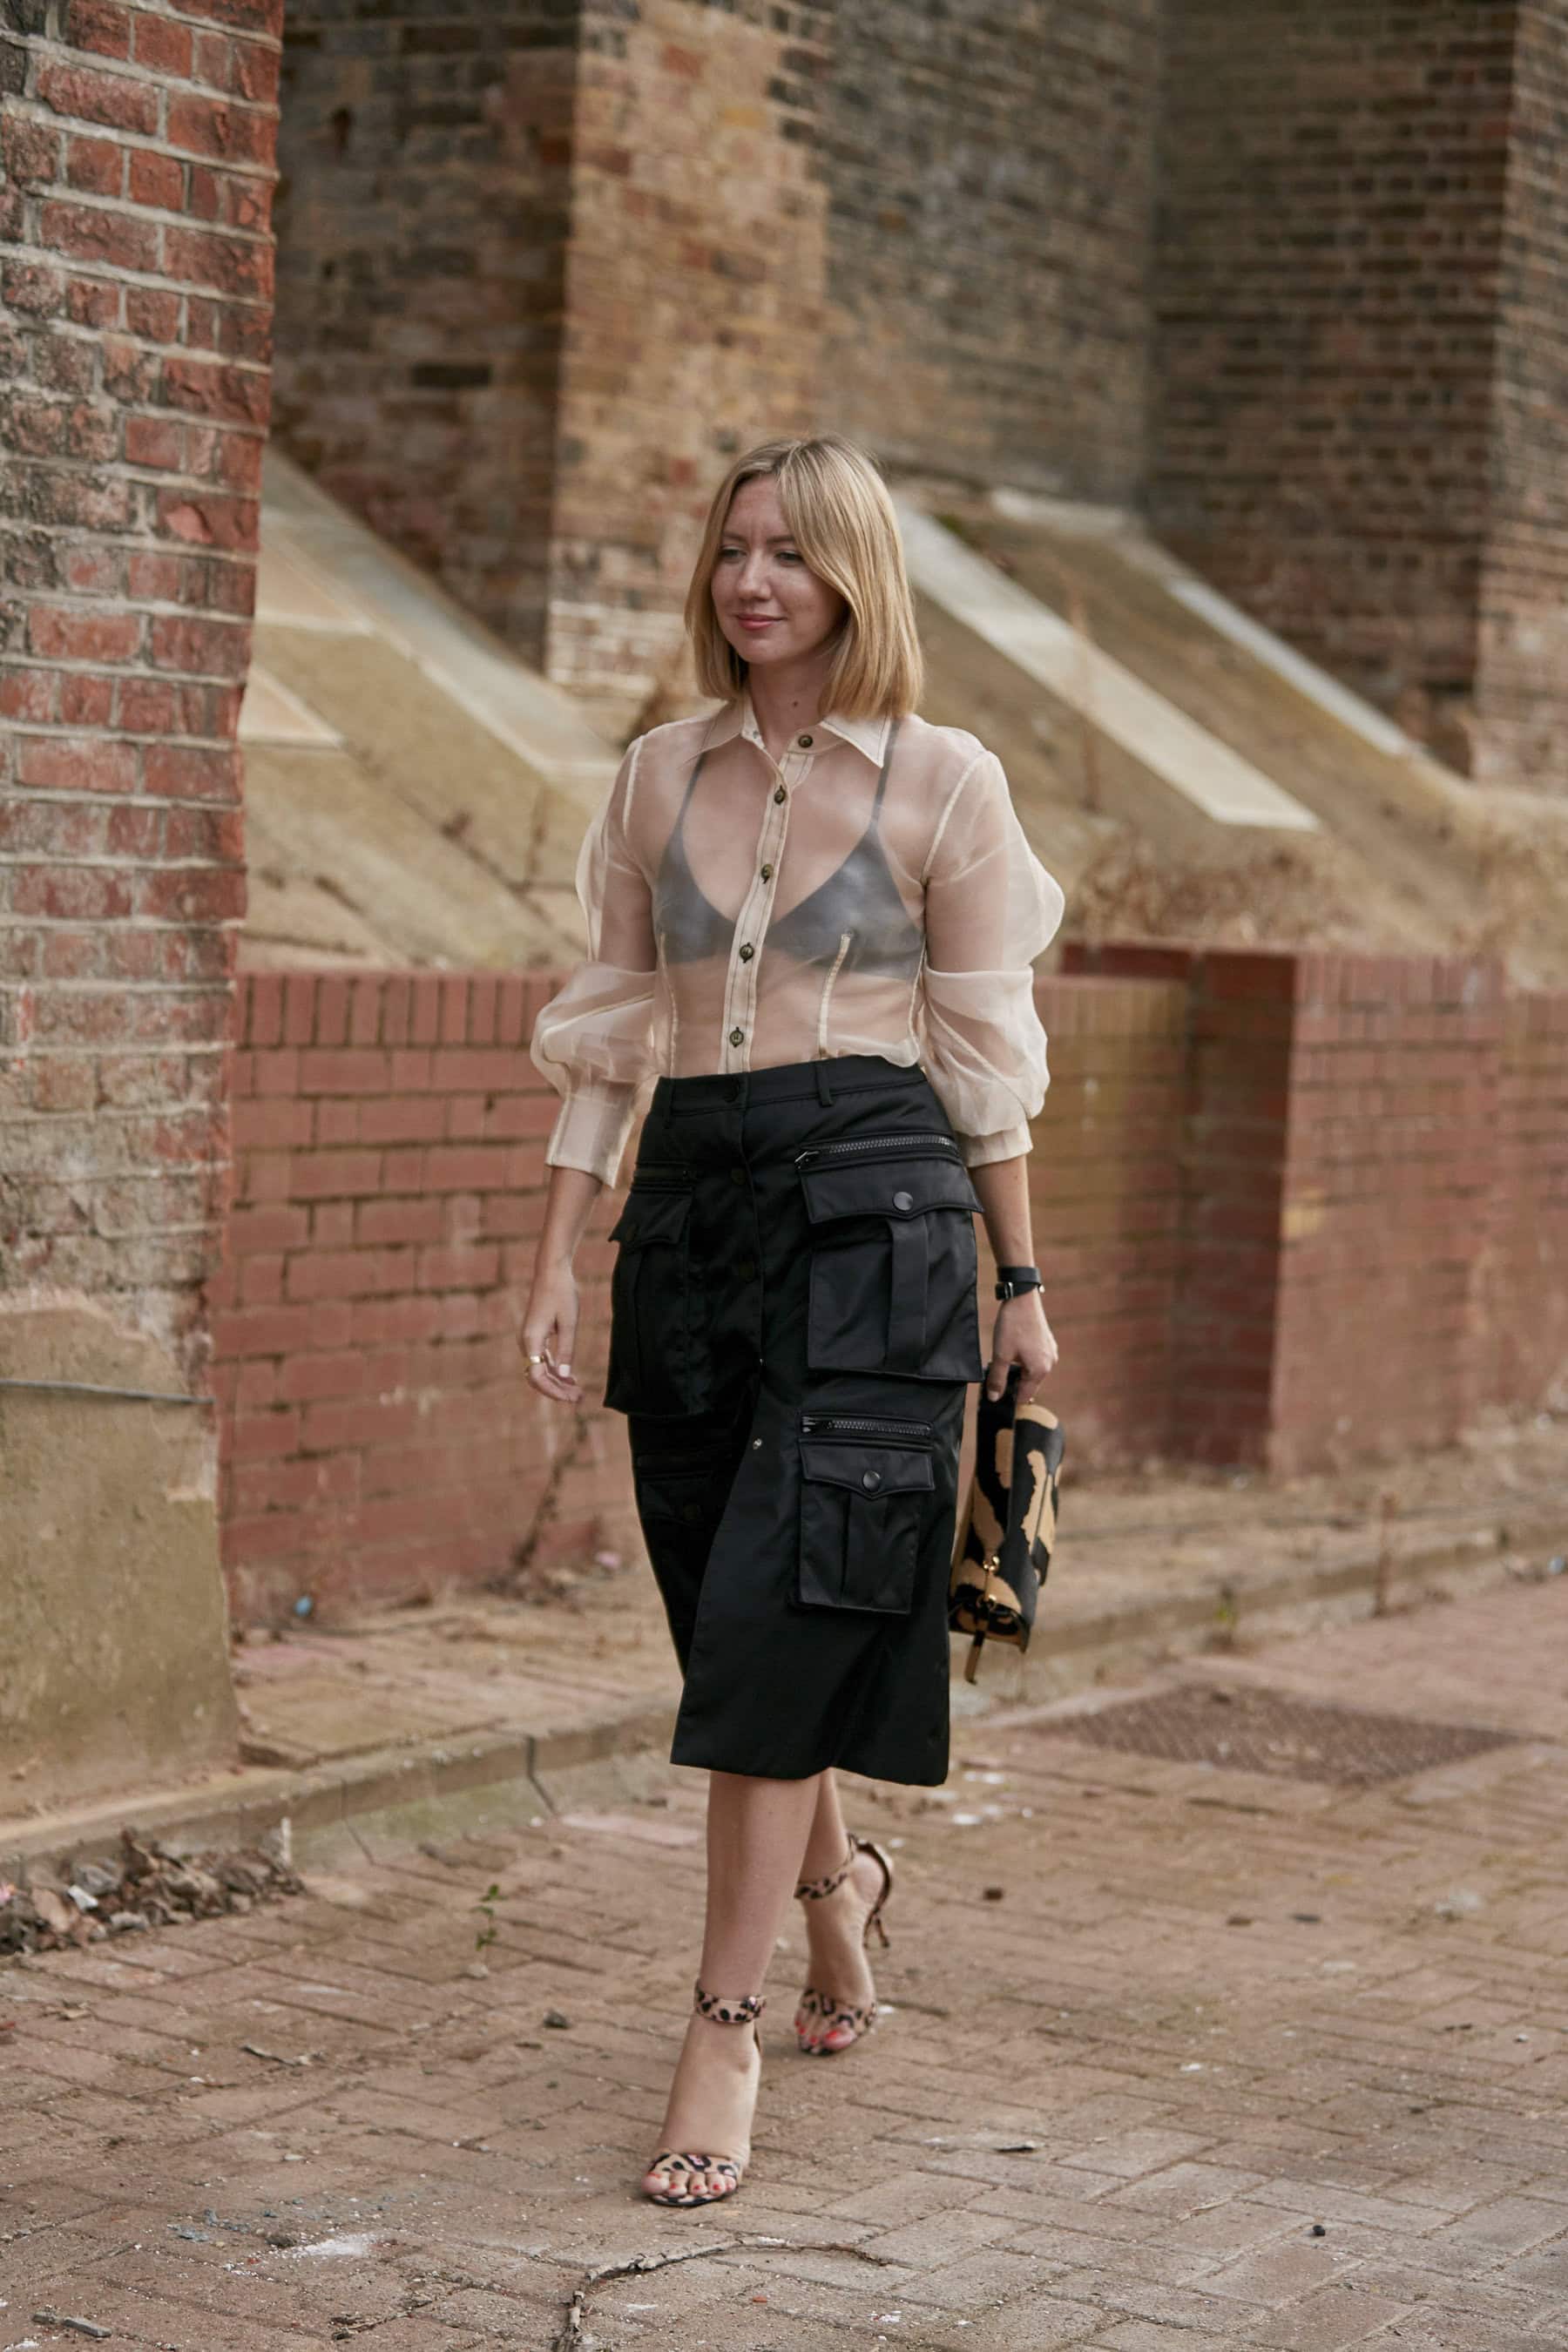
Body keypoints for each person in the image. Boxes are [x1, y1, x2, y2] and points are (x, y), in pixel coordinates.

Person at [521, 434, 1063, 2208]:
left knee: (788, 1604)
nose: (754, 581)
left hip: (881, 1216)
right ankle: (841, 1896)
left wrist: (1023, 1289)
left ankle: (720, 2029)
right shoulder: (655, 776)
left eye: (792, 552)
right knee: (726, 1613)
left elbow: (985, 1060)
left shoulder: (946, 782)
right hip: (692, 1206)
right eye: (733, 549)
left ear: (855, 575)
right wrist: (560, 1249)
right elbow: (612, 1030)